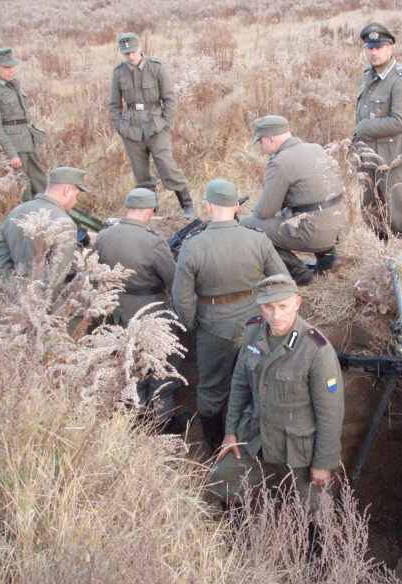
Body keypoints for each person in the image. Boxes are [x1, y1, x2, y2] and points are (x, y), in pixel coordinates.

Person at [208, 274, 345, 511]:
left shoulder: (316, 349)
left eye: (283, 306)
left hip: (297, 450)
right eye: (268, 307)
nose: (276, 315)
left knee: (313, 511)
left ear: (297, 303)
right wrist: (230, 433)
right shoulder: (253, 332)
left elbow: (330, 413)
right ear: (260, 306)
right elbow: (239, 385)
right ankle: (241, 530)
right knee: (223, 483)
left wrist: (323, 462)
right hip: (255, 438)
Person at [172, 179, 288, 452]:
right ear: (237, 206)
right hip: (255, 322)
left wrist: (193, 325)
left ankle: (214, 447)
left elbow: (182, 298)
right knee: (259, 382)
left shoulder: (193, 246)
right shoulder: (257, 239)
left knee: (211, 390)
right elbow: (282, 281)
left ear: (208, 206)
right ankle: (258, 446)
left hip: (213, 327)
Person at [96, 187, 184, 427]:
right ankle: (161, 420)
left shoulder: (104, 236)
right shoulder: (153, 242)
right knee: (160, 366)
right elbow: (173, 280)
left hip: (113, 310)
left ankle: (129, 418)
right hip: (149, 310)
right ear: (150, 210)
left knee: (126, 365)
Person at [240, 115, 348, 286]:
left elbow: (265, 212)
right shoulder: (315, 148)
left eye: (260, 141)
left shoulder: (280, 161)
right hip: (338, 227)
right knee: (305, 209)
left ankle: (300, 273)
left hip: (315, 232)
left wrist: (250, 212)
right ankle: (327, 263)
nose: (260, 146)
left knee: (246, 226)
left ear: (270, 138)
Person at [109, 32, 195, 219]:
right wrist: (120, 127)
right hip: (131, 129)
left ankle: (187, 204)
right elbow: (114, 105)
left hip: (156, 126)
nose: (131, 56)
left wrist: (165, 123)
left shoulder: (156, 67)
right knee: (141, 175)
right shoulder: (118, 73)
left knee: (167, 166)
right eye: (126, 53)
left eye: (133, 51)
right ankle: (150, 211)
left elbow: (169, 99)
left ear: (140, 48)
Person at [354, 23, 402, 240]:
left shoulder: (401, 79)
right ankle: (383, 256)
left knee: (401, 218)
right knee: (371, 214)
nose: (374, 52)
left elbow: (400, 122)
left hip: (394, 160)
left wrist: (364, 128)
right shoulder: (368, 76)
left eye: (379, 47)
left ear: (390, 48)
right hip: (369, 158)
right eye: (370, 48)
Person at [0, 47, 47, 202]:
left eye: (12, 66)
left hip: (27, 142)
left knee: (41, 184)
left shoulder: (13, 84)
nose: (11, 70)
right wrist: (12, 154)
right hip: (14, 146)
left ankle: (50, 212)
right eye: (6, 67)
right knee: (24, 190)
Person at [0, 166, 87, 277]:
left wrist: (12, 285)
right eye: (76, 195)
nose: (76, 201)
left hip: (8, 286)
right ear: (66, 191)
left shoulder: (16, 211)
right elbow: (58, 276)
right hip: (41, 287)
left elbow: (0, 264)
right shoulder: (64, 222)